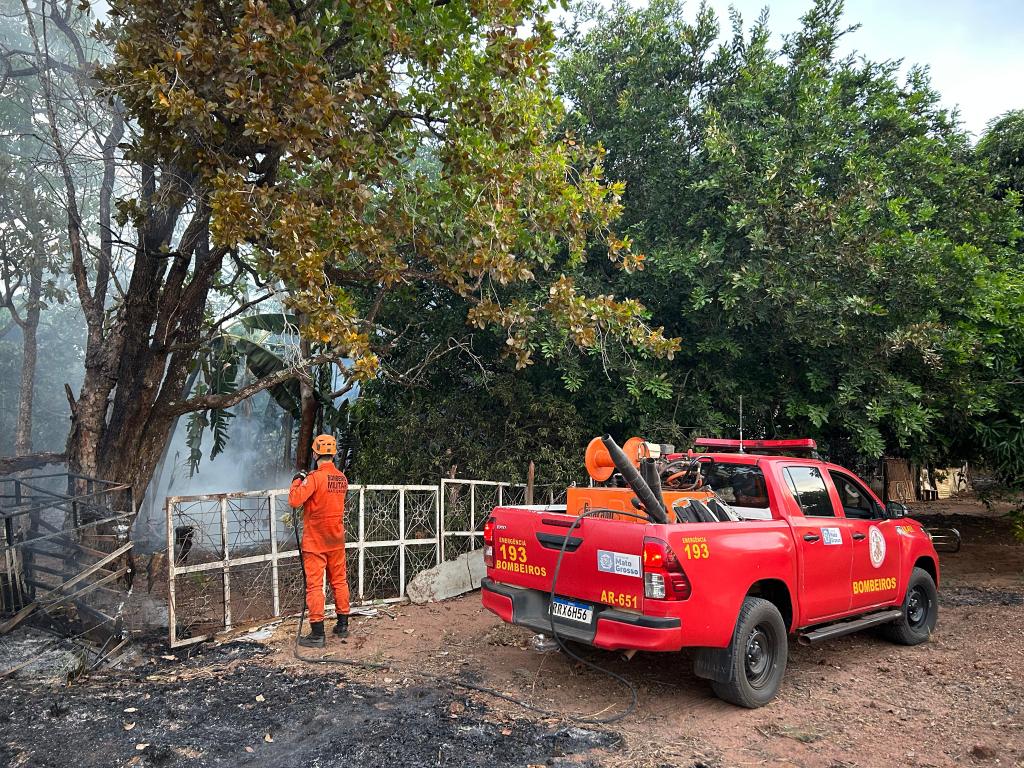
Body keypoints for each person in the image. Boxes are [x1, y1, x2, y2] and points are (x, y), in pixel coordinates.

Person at [289, 434, 350, 647]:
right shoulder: (342, 478)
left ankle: (317, 634)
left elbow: (295, 500)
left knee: (315, 586)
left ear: (315, 454)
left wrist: (298, 478)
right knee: (339, 581)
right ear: (333, 454)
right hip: (336, 539)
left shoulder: (314, 478)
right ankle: (342, 625)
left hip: (315, 541)